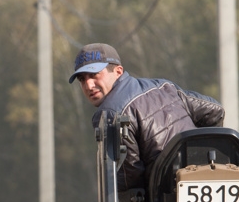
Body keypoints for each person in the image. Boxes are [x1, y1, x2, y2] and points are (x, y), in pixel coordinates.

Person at [69, 42, 225, 191]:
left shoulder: (111, 113)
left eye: (95, 75)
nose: (88, 85)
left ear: (118, 71)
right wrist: (201, 153)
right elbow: (216, 111)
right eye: (82, 79)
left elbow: (128, 176)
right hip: (212, 183)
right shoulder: (164, 87)